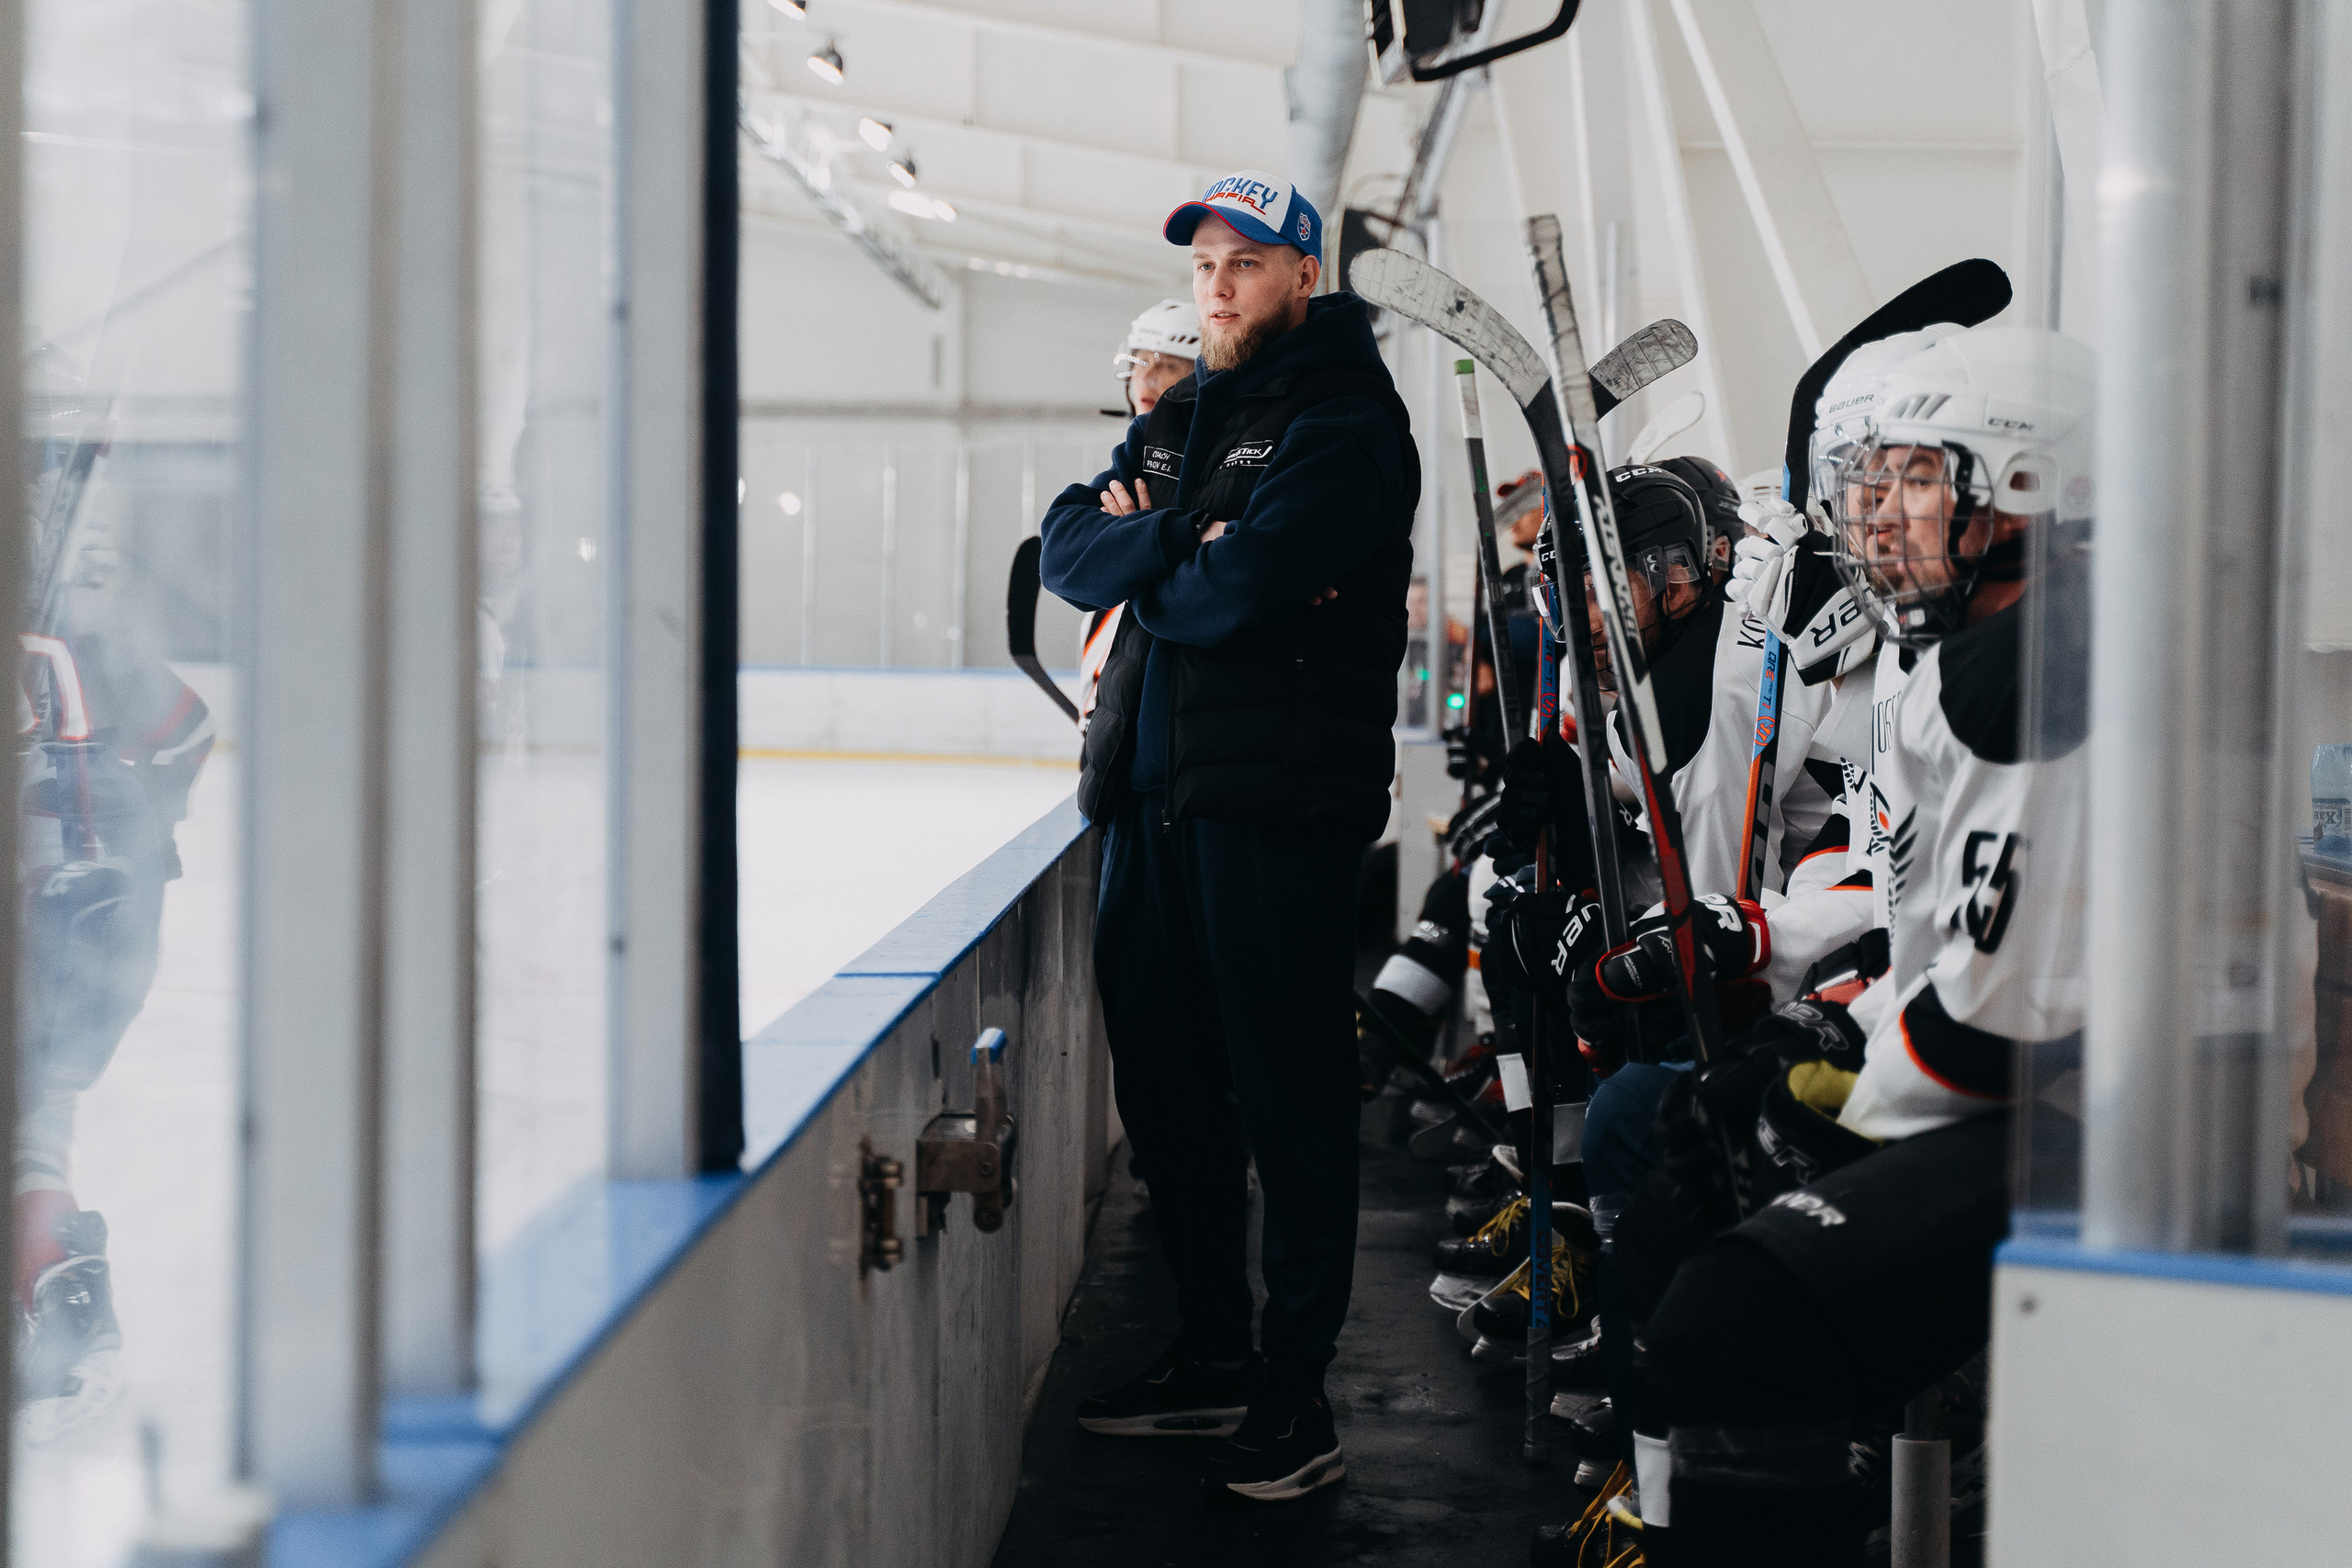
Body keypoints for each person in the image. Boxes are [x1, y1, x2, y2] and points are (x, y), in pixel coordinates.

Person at [1627, 325, 2097, 1566]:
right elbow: (1921, 926)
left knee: (1736, 1318)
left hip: (2105, 1133)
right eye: (1872, 482)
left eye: (1917, 478)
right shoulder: (1969, 655)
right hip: (2030, 1091)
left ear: (2030, 487)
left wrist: (1820, 1099)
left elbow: (1996, 1032)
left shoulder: (2044, 670)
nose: (1878, 515)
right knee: (1684, 1217)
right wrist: (1811, 1028)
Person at [1035, 169, 1419, 1503]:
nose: (1218, 285)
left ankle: (1294, 1395)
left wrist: (1168, 552)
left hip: (1272, 807)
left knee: (1289, 1098)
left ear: (1304, 275)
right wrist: (1178, 540)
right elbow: (1066, 553)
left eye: (1245, 264)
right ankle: (1210, 1354)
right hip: (1151, 802)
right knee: (1168, 1094)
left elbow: (1241, 591)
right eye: (1204, 265)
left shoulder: (1347, 423)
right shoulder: (1184, 414)